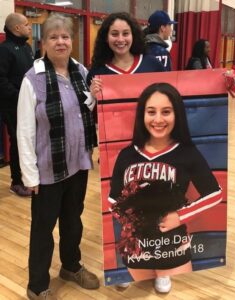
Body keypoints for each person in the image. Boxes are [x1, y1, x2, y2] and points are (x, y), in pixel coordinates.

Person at [108, 82, 223, 293]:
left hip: (173, 242)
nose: (158, 119)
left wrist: (181, 216)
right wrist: (129, 219)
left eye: (166, 112)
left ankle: (164, 275)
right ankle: (129, 273)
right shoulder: (127, 154)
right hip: (137, 245)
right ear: (142, 115)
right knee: (138, 282)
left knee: (168, 279)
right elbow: (112, 198)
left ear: (177, 114)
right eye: (151, 112)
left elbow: (214, 193)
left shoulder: (187, 152)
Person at [17, 14, 99, 300]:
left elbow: (84, 109)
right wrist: (29, 175)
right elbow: (24, 130)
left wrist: (96, 96)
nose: (60, 42)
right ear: (44, 42)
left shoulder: (81, 70)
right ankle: (37, 285)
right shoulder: (33, 79)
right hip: (48, 168)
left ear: (72, 41)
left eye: (65, 36)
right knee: (43, 227)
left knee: (72, 220)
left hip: (78, 163)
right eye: (54, 37)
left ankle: (71, 266)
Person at [87, 11, 165, 126]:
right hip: (115, 136)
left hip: (151, 135)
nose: (120, 39)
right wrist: (92, 97)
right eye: (114, 34)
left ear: (133, 35)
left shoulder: (153, 65)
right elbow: (89, 115)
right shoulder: (97, 72)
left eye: (125, 33)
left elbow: (167, 101)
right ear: (106, 38)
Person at [0, 13, 34, 196]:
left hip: (29, 104)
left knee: (30, 141)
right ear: (17, 28)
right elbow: (1, 80)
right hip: (12, 105)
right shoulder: (4, 50)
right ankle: (16, 181)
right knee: (18, 142)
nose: (29, 27)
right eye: (27, 24)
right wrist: (19, 97)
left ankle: (30, 177)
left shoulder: (27, 48)